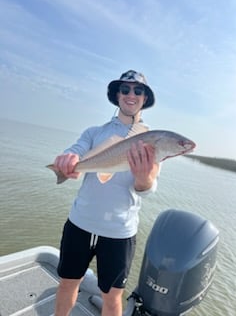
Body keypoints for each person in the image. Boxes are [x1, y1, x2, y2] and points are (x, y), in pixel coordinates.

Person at [53, 70, 160, 316]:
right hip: (80, 224)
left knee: (112, 298)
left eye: (138, 90)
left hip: (119, 232)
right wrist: (69, 158)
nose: (131, 95)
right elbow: (77, 149)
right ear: (117, 95)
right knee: (67, 285)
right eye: (125, 89)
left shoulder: (152, 139)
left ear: (145, 98)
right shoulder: (94, 132)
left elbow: (147, 189)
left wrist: (144, 179)